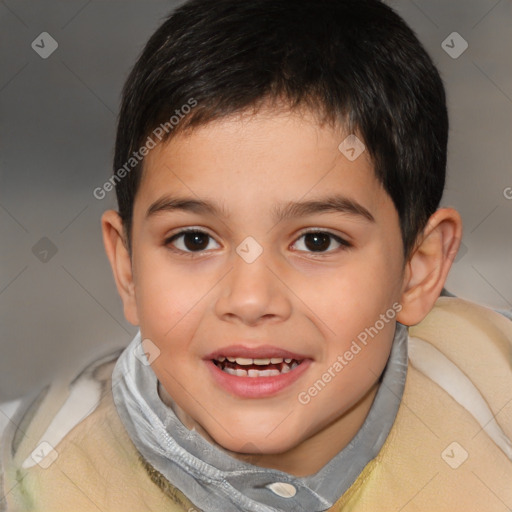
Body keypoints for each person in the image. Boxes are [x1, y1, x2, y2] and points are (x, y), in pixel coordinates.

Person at [1, 0, 511, 510]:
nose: (250, 300)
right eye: (194, 240)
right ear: (128, 268)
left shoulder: (496, 407)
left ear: (417, 271)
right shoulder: (29, 478)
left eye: (317, 241)